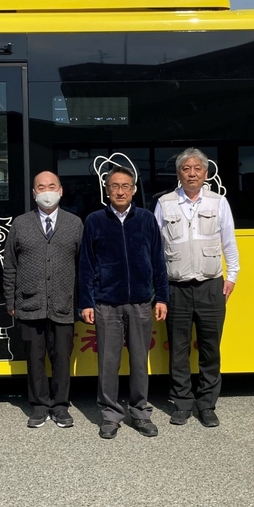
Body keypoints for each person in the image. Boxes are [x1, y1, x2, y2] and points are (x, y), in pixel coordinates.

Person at [79, 166, 169, 439]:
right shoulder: (95, 220)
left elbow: (158, 261)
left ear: (133, 189)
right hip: (107, 303)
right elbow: (86, 265)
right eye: (114, 186)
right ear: (106, 190)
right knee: (108, 362)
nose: (120, 190)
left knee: (140, 361)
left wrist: (162, 296)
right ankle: (110, 414)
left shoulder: (145, 219)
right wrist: (86, 302)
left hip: (141, 302)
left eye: (126, 186)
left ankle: (140, 412)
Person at [154, 148, 240, 428]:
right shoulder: (165, 203)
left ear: (205, 173)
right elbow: (156, 247)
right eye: (186, 169)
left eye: (197, 169)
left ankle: (207, 405)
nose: (191, 173)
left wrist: (232, 276)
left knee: (210, 349)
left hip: (211, 286)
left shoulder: (218, 203)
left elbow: (229, 241)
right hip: (175, 287)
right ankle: (181, 404)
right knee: (177, 349)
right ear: (178, 173)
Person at [3, 171, 83, 428]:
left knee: (61, 357)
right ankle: (39, 405)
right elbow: (10, 266)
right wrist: (10, 302)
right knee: (34, 358)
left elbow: (84, 266)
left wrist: (81, 303)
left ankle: (60, 406)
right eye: (41, 187)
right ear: (34, 193)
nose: (46, 191)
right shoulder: (20, 223)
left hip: (64, 304)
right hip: (28, 304)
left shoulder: (74, 223)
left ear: (60, 190)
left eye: (51, 186)